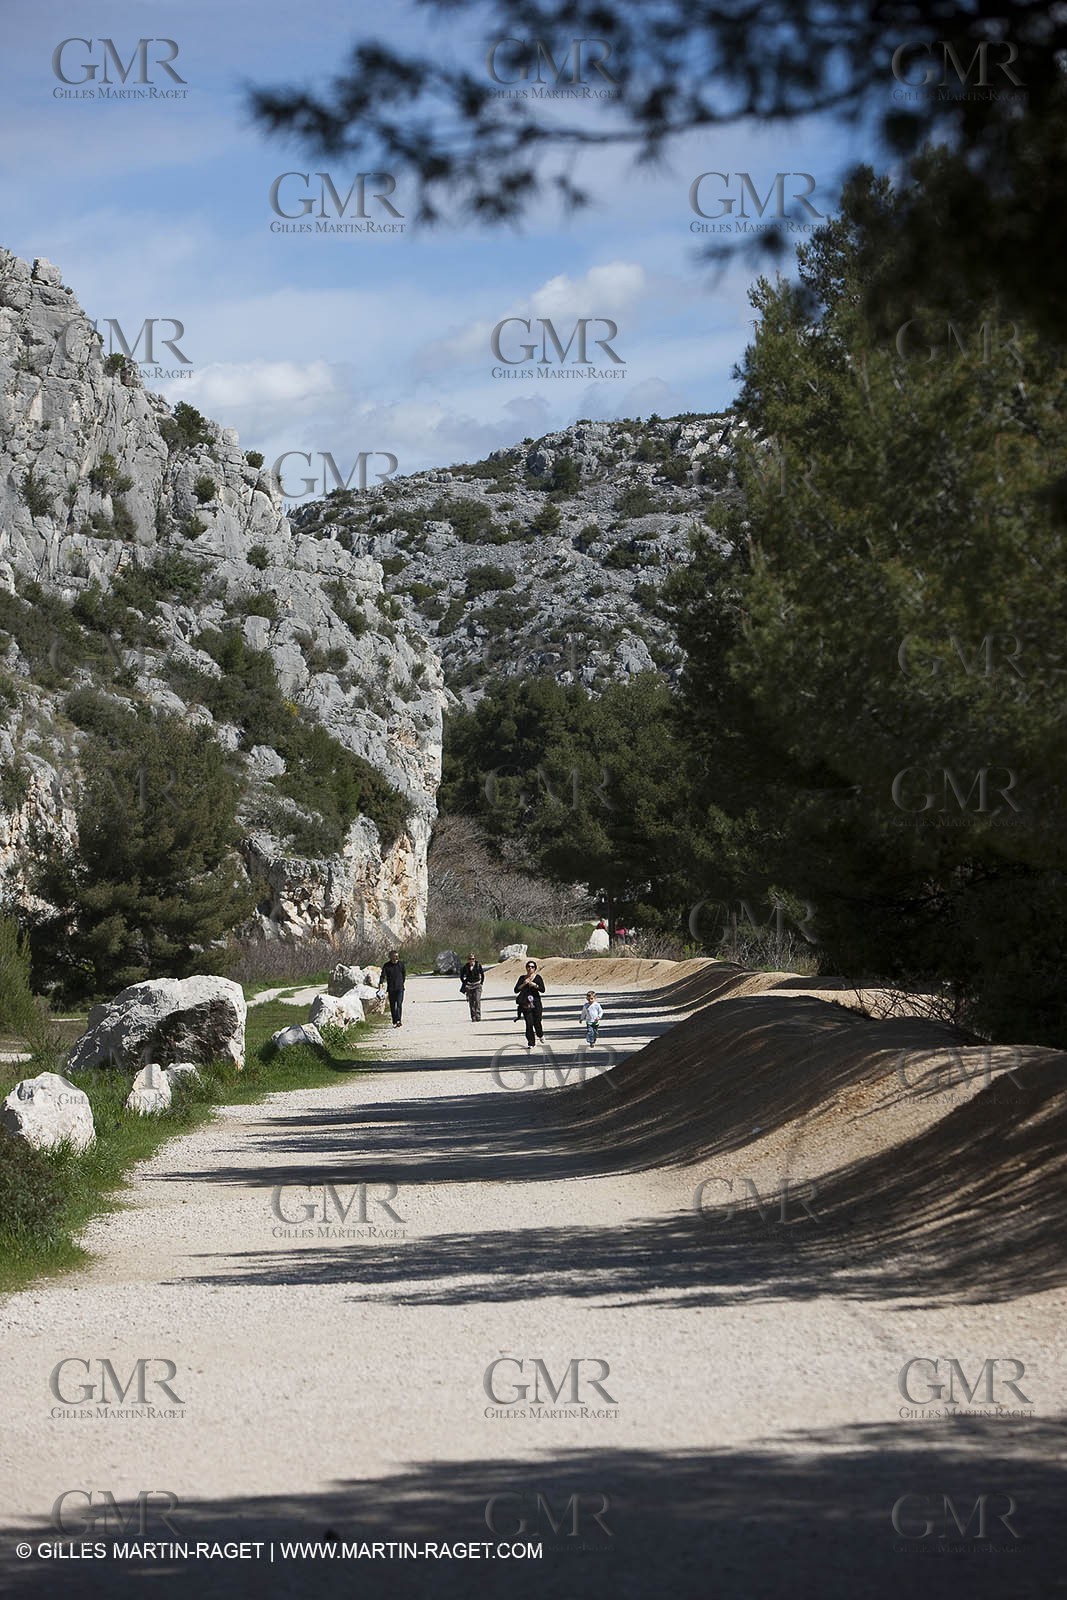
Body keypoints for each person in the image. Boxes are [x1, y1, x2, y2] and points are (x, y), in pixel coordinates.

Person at [514, 959, 546, 1048]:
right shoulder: (522, 978)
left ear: (535, 968)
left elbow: (543, 989)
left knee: (537, 1022)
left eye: (532, 967)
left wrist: (535, 985)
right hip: (525, 1004)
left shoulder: (538, 978)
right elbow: (516, 990)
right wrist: (524, 984)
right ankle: (531, 1042)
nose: (530, 968)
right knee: (529, 1024)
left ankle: (540, 1034)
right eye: (528, 966)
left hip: (536, 1003)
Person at [379, 949, 406, 1027]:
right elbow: (382, 976)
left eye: (397, 956)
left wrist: (401, 983)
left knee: (399, 1004)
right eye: (395, 956)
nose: (396, 958)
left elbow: (404, 975)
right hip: (391, 989)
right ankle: (394, 1020)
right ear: (390, 957)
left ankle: (399, 1020)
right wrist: (380, 986)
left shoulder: (401, 964)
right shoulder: (386, 966)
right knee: (392, 1005)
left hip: (400, 988)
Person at [459, 952, 485, 1021]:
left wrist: (481, 983)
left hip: (477, 985)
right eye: (470, 959)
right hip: (469, 985)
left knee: (477, 1000)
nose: (471, 960)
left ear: (475, 959)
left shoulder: (478, 965)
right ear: (468, 960)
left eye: (473, 959)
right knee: (471, 1002)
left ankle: (478, 1016)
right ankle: (473, 1017)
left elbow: (482, 975)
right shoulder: (465, 967)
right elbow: (461, 976)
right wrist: (465, 983)